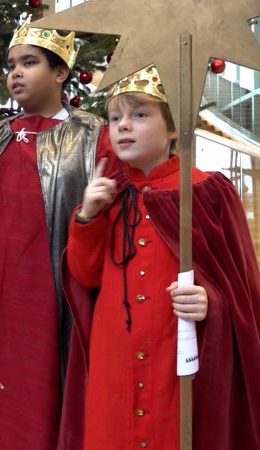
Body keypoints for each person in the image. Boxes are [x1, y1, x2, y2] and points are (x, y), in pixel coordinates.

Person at [0, 15, 117, 450]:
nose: (15, 72)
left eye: (29, 62)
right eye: (12, 63)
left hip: (50, 289)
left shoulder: (92, 134)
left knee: (45, 383)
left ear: (60, 72)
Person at [64, 65, 260, 450]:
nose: (122, 126)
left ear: (173, 129)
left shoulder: (206, 192)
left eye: (139, 115)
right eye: (115, 118)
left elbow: (243, 291)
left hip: (177, 359)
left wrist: (211, 302)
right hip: (115, 362)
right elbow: (85, 277)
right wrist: (87, 216)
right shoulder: (109, 197)